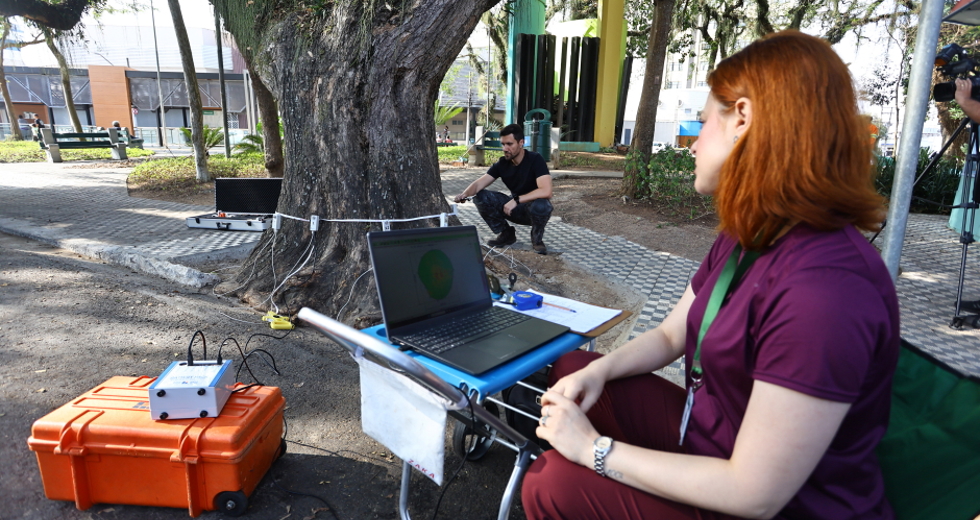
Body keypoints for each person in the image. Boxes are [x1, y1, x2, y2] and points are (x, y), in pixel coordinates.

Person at [522, 30, 900, 520]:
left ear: (742, 118)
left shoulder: (824, 293)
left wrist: (593, 450)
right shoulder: (754, 232)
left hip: (774, 503)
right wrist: (598, 368)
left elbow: (754, 493)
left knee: (553, 484)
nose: (694, 143)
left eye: (703, 123)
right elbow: (672, 331)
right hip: (712, 437)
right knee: (574, 369)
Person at [454, 123, 554, 254]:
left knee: (543, 205)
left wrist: (516, 200)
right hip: (513, 210)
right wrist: (464, 194)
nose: (505, 148)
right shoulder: (502, 164)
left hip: (533, 211)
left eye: (509, 144)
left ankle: (537, 239)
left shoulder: (536, 159)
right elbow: (479, 184)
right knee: (480, 196)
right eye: (503, 144)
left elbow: (546, 191)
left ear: (521, 143)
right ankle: (506, 234)